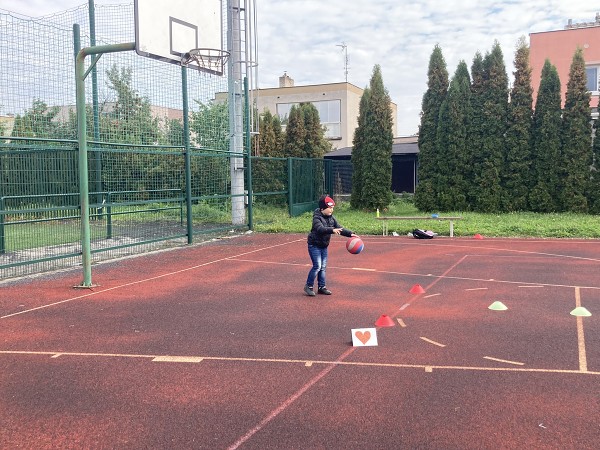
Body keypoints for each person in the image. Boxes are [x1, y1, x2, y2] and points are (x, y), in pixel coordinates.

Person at [304, 195, 357, 297]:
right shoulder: (317, 218)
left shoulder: (332, 218)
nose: (332, 210)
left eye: (333, 208)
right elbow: (320, 229)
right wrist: (331, 230)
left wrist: (350, 234)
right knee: (317, 266)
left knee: (323, 267)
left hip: (324, 246)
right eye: (330, 208)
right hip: (314, 245)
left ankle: (321, 287)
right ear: (322, 208)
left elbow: (340, 229)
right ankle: (308, 286)